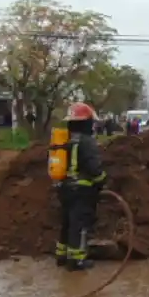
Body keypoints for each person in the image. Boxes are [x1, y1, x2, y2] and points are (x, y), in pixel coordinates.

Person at [55, 101, 107, 271]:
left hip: (64, 188)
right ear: (87, 123)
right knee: (80, 225)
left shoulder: (64, 140)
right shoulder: (87, 142)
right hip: (82, 190)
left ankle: (62, 256)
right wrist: (102, 180)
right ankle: (77, 260)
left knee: (67, 222)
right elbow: (94, 168)